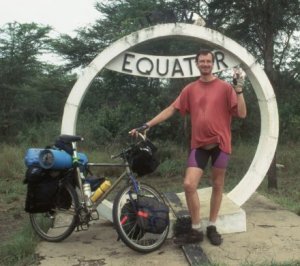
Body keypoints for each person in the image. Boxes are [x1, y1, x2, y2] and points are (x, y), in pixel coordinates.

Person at [129, 49, 247, 246]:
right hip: (199, 145)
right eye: (202, 61)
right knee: (189, 185)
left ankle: (212, 226)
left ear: (213, 63)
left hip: (220, 144)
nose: (205, 64)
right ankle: (195, 229)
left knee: (217, 186)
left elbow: (242, 113)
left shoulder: (225, 88)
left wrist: (240, 91)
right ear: (197, 64)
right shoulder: (190, 89)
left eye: (208, 61)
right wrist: (147, 124)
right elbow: (171, 109)